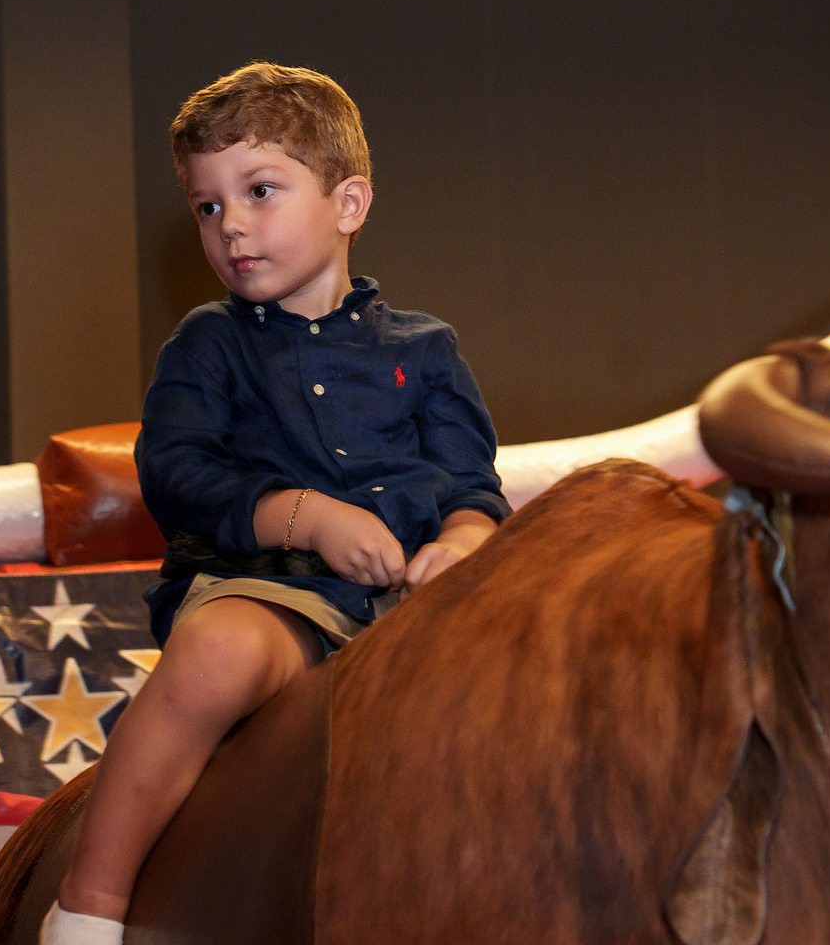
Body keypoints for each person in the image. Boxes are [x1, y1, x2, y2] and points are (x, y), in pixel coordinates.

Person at [41, 61, 511, 945]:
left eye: (259, 191)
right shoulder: (208, 344)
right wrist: (308, 517)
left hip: (413, 610)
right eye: (207, 206)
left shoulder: (428, 350)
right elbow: (177, 474)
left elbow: (470, 486)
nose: (231, 225)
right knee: (215, 654)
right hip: (270, 593)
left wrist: (463, 541)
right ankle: (89, 902)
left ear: (348, 203)